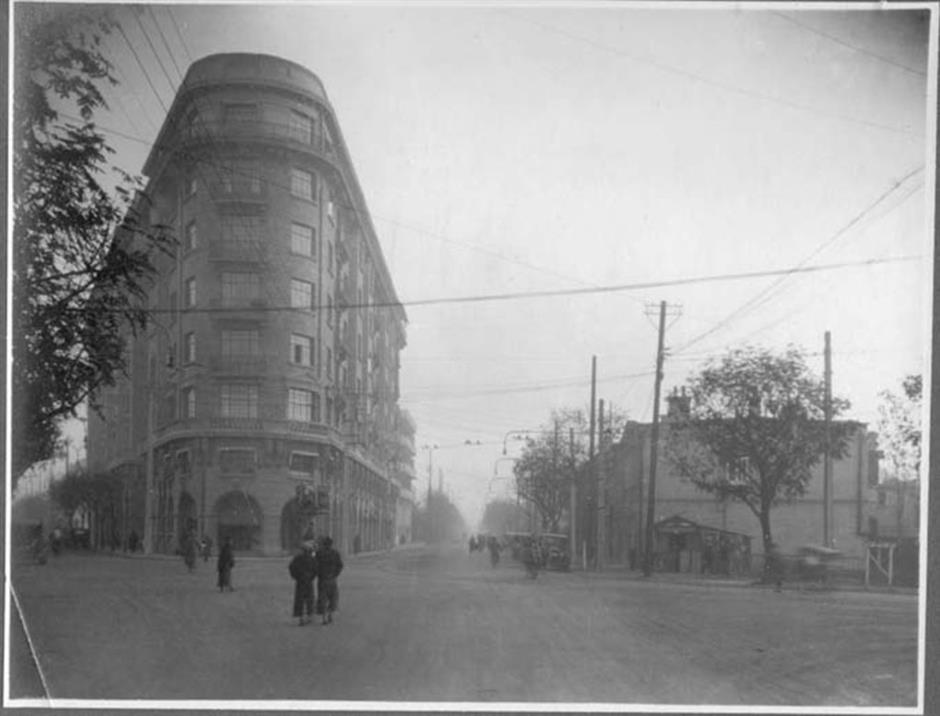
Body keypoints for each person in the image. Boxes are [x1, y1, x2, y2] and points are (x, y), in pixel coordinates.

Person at [314, 536, 344, 625]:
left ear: (323, 544)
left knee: (322, 598)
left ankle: (324, 618)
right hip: (332, 579)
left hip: (322, 579)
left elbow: (314, 565)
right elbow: (340, 565)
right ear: (331, 544)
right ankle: (330, 615)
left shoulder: (318, 553)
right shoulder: (335, 553)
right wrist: (335, 574)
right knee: (332, 598)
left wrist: (318, 574)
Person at [289, 542, 318, 626]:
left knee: (300, 600)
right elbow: (316, 570)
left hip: (300, 582)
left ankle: (301, 618)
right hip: (309, 581)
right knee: (309, 599)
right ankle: (309, 616)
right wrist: (311, 577)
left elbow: (292, 568)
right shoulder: (312, 559)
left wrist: (296, 577)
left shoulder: (297, 558)